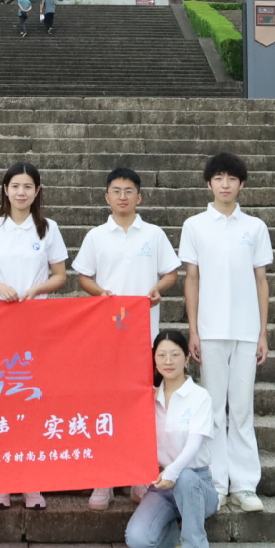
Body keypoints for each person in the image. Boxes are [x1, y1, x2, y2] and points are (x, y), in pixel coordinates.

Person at [73, 166, 181, 510]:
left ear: (139, 197)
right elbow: (84, 277)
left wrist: (157, 289)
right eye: (116, 191)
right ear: (107, 197)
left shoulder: (153, 234)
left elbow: (171, 273)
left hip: (144, 336)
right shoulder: (96, 236)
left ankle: (139, 477)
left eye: (129, 191)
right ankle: (103, 481)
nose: (123, 196)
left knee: (142, 405)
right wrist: (100, 293)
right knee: (106, 404)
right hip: (107, 336)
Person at [0, 161, 68, 511]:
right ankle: (1, 482)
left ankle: (31, 482)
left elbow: (60, 275)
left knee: (32, 401)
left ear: (37, 191)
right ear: (5, 190)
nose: (21, 192)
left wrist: (36, 289)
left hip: (37, 323)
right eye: (15, 186)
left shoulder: (48, 228)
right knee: (2, 401)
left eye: (28, 186)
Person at [180, 151, 272, 514]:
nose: (225, 185)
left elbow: (261, 280)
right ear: (209, 183)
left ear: (241, 184)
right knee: (214, 409)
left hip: (247, 331)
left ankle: (245, 485)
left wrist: (262, 333)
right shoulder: (195, 225)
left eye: (232, 179)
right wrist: (193, 330)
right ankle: (216, 485)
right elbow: (192, 279)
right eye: (218, 178)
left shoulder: (255, 227)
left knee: (243, 409)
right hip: (210, 330)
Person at [123, 329, 216, 548]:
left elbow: (194, 444)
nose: (168, 361)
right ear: (153, 359)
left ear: (186, 358)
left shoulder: (199, 397)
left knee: (184, 476)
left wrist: (173, 472)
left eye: (175, 354)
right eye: (161, 355)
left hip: (196, 482)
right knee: (138, 539)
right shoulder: (148, 397)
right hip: (162, 486)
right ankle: (175, 539)